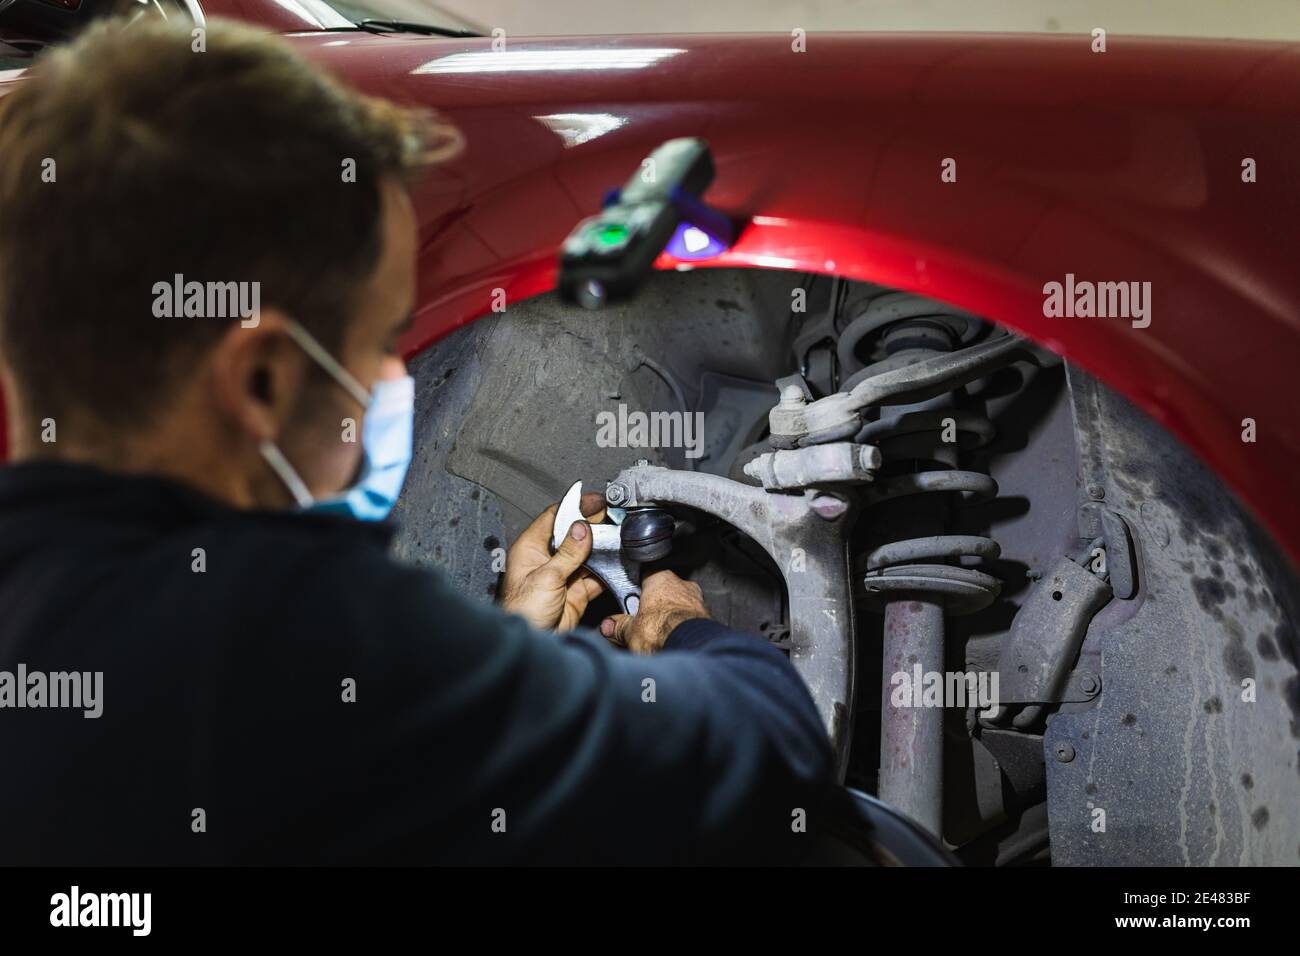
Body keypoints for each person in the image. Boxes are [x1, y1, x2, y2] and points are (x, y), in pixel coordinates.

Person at [0, 18, 832, 864]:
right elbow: (770, 751)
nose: (397, 378)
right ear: (261, 382)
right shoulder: (312, 641)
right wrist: (683, 633)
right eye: (375, 338)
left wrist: (514, 649)